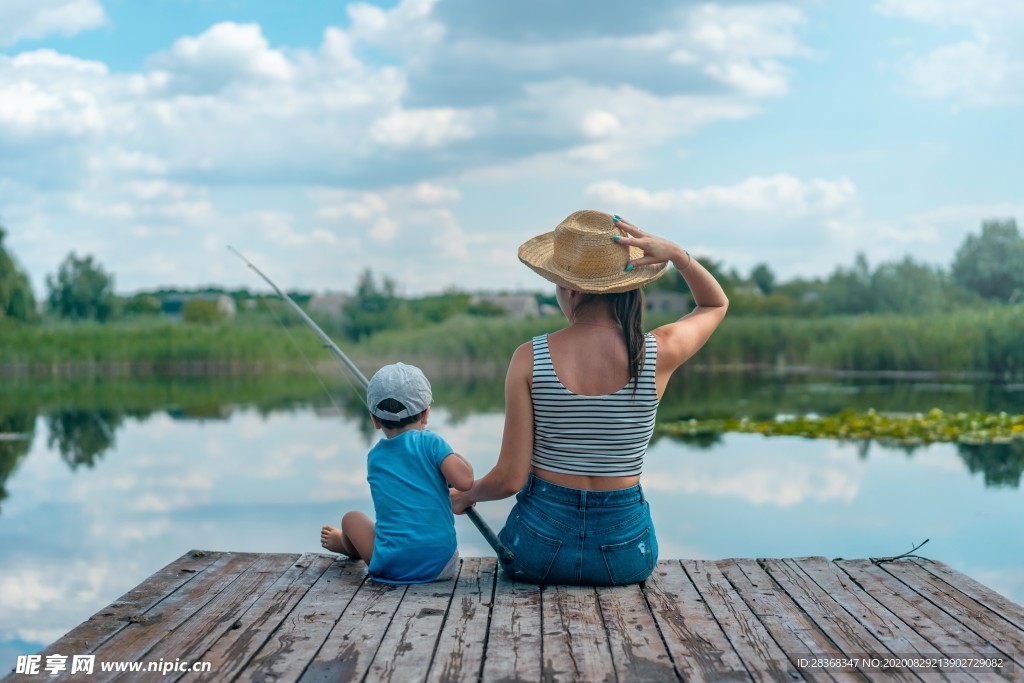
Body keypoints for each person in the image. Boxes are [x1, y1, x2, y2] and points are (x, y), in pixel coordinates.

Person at [450, 210, 728, 585]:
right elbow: (714, 304)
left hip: (536, 551)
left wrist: (468, 495)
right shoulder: (658, 352)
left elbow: (509, 479)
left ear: (571, 289)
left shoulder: (530, 357)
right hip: (627, 554)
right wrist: (678, 255)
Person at [321, 362, 475, 583]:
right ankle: (351, 546)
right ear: (426, 414)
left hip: (390, 566)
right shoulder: (432, 443)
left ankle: (348, 546)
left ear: (374, 419)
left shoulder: (375, 457)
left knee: (351, 518)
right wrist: (449, 453)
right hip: (441, 565)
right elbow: (466, 481)